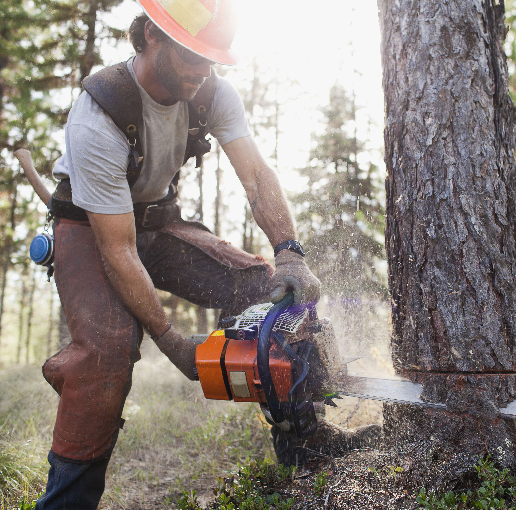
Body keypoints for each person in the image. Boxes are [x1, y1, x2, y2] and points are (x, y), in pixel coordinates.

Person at [34, 1, 323, 508]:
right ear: (148, 36)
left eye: (211, 58)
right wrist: (168, 339)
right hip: (89, 227)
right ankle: (66, 501)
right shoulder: (99, 112)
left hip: (157, 219)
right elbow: (118, 248)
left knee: (267, 289)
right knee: (107, 353)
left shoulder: (211, 92)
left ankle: (307, 446)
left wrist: (289, 252)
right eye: (191, 53)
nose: (201, 69)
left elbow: (255, 176)